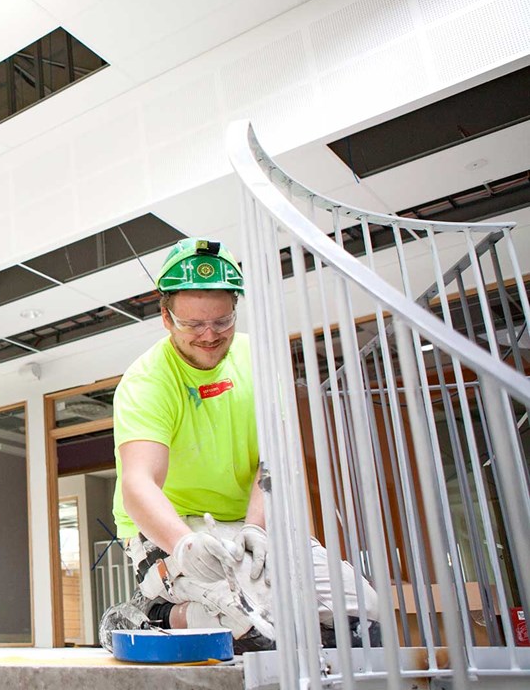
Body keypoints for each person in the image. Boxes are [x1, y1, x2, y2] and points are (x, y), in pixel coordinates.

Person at [100, 238, 379, 654]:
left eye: (223, 321)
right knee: (249, 624)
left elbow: (275, 461)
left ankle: (217, 602)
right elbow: (138, 483)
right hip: (176, 524)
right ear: (166, 317)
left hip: (250, 520)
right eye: (193, 324)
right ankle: (158, 611)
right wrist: (183, 543)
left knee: (363, 612)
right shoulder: (147, 381)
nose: (210, 335)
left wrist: (255, 529)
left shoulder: (260, 359)